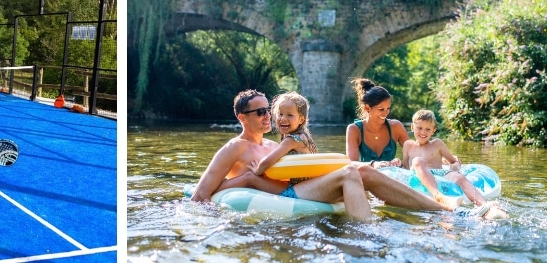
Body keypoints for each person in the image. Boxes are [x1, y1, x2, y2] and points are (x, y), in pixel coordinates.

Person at [191, 89, 454, 220]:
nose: (268, 116)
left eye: (266, 110)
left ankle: (440, 210)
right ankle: (366, 239)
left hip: (302, 189)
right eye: (260, 112)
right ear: (242, 118)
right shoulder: (234, 147)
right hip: (284, 197)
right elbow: (201, 194)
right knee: (352, 171)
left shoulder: (274, 146)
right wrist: (239, 183)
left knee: (363, 170)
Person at [403, 109, 506, 217]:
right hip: (419, 175)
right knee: (417, 160)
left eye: (427, 129)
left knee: (460, 177)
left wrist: (455, 168)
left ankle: (485, 207)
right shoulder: (408, 145)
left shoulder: (437, 144)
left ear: (433, 130)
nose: (423, 132)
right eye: (419, 128)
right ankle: (438, 195)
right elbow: (404, 167)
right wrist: (393, 163)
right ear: (412, 127)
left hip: (439, 174)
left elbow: (454, 161)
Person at [345, 77, 409, 168]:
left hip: (391, 177)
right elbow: (351, 163)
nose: (386, 112)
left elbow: (414, 154)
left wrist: (401, 162)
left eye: (388, 108)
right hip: (366, 177)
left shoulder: (396, 126)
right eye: (381, 109)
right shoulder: (354, 129)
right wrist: (374, 164)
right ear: (367, 108)